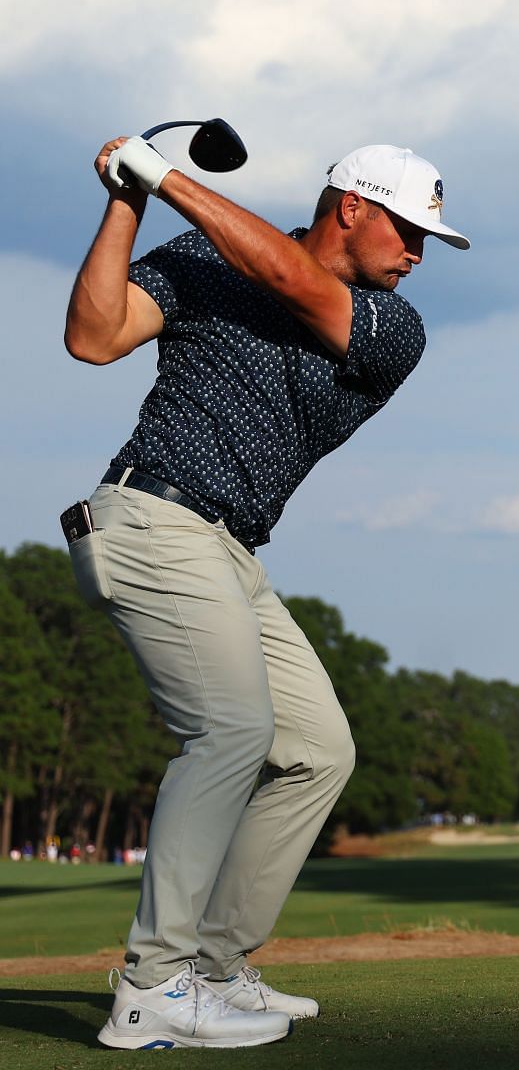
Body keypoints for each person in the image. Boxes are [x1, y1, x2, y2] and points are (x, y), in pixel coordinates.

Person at [65, 136, 467, 1051]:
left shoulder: (392, 328)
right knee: (234, 732)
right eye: (409, 229)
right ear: (352, 207)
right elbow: (94, 338)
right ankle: (152, 986)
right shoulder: (205, 257)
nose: (417, 252)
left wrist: (165, 175)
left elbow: (290, 278)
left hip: (232, 553)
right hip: (151, 518)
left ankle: (213, 968)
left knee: (321, 749)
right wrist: (128, 200)